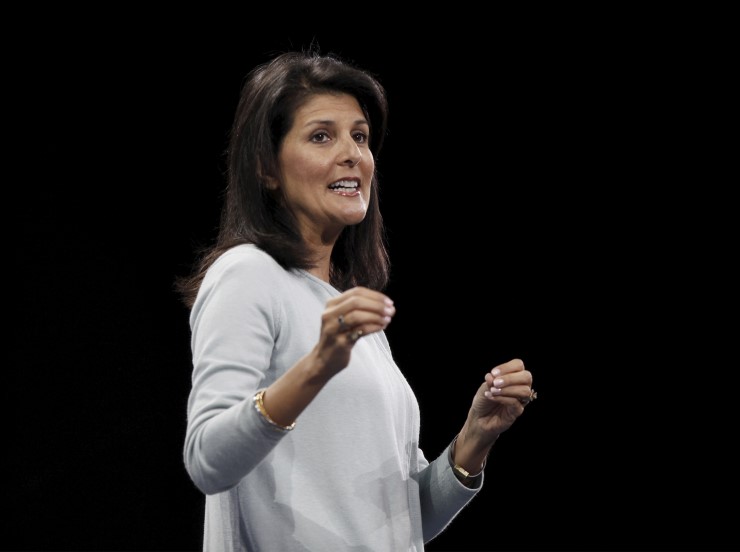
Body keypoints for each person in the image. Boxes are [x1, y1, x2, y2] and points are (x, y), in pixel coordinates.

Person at [175, 47, 537, 551]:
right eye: (322, 135)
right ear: (266, 167)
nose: (352, 154)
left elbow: (403, 521)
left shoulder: (358, 326)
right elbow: (208, 460)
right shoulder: (247, 275)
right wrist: (317, 366)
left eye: (360, 137)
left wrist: (474, 439)